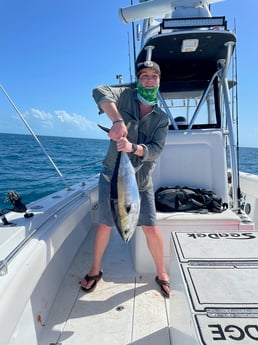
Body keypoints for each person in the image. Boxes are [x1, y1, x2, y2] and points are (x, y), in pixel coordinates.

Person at [80, 61, 170, 298]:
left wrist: (133, 148)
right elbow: (99, 91)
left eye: (154, 76)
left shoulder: (161, 118)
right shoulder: (125, 95)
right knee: (105, 224)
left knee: (150, 228)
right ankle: (95, 269)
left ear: (159, 81)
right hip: (113, 175)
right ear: (138, 79)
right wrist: (118, 122)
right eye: (144, 76)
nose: (149, 80)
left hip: (141, 180)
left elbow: (157, 149)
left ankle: (161, 272)